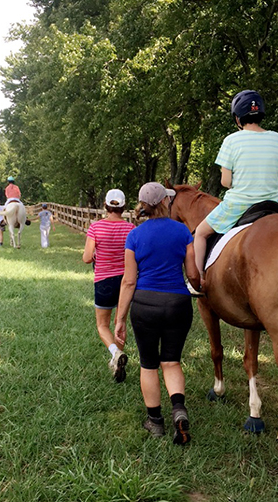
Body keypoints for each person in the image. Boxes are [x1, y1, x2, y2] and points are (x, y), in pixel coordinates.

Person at [114, 182, 199, 444]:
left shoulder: (135, 235)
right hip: (177, 303)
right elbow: (193, 274)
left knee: (148, 364)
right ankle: (178, 410)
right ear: (165, 202)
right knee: (171, 361)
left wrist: (119, 319)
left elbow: (129, 281)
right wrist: (201, 286)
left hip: (145, 306)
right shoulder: (183, 232)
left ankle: (155, 421)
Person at [194, 90, 278, 291]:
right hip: (274, 205)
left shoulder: (231, 141)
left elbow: (226, 182)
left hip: (239, 204)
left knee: (200, 233)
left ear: (238, 118)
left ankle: (198, 280)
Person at [82, 189, 135, 382]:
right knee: (119, 323)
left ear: (105, 205)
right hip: (125, 282)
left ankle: (115, 353)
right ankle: (117, 358)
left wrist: (96, 254)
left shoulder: (96, 228)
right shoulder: (130, 228)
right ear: (123, 207)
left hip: (103, 281)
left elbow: (87, 258)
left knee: (102, 325)